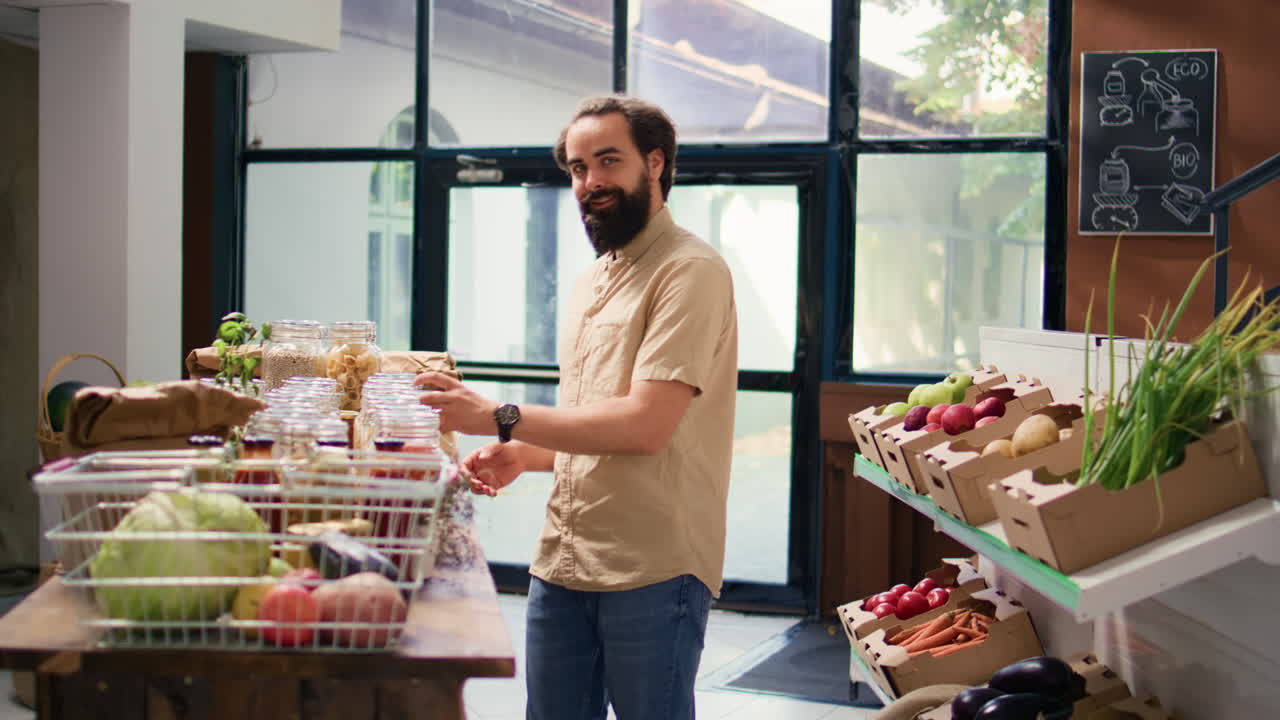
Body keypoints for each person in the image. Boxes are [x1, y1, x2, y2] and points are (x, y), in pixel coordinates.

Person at [414, 94, 738, 720]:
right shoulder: (592, 279)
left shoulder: (691, 271)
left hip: (654, 566)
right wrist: (527, 455)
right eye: (577, 168)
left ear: (655, 163)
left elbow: (645, 425)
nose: (590, 183)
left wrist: (497, 416)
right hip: (563, 558)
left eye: (608, 162)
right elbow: (596, 415)